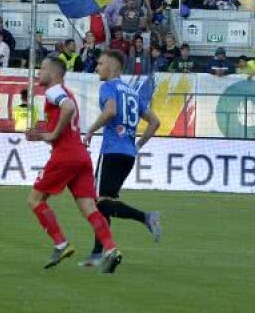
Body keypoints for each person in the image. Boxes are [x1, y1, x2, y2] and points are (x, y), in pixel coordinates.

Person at [25, 56, 122, 273]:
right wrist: (43, 135)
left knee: (34, 199)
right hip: (80, 155)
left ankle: (61, 244)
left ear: (54, 73)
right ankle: (110, 248)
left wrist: (52, 135)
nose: (38, 74)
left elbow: (67, 109)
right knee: (89, 207)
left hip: (65, 155)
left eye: (42, 69)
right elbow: (67, 116)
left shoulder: (53, 91)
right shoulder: (66, 92)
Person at [81, 50, 163, 267]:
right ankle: (98, 254)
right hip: (128, 153)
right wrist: (137, 145)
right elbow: (155, 122)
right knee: (103, 204)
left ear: (113, 66)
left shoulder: (108, 87)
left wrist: (90, 130)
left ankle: (146, 217)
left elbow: (110, 111)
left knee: (103, 203)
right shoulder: (132, 92)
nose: (97, 68)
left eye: (100, 64)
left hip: (112, 150)